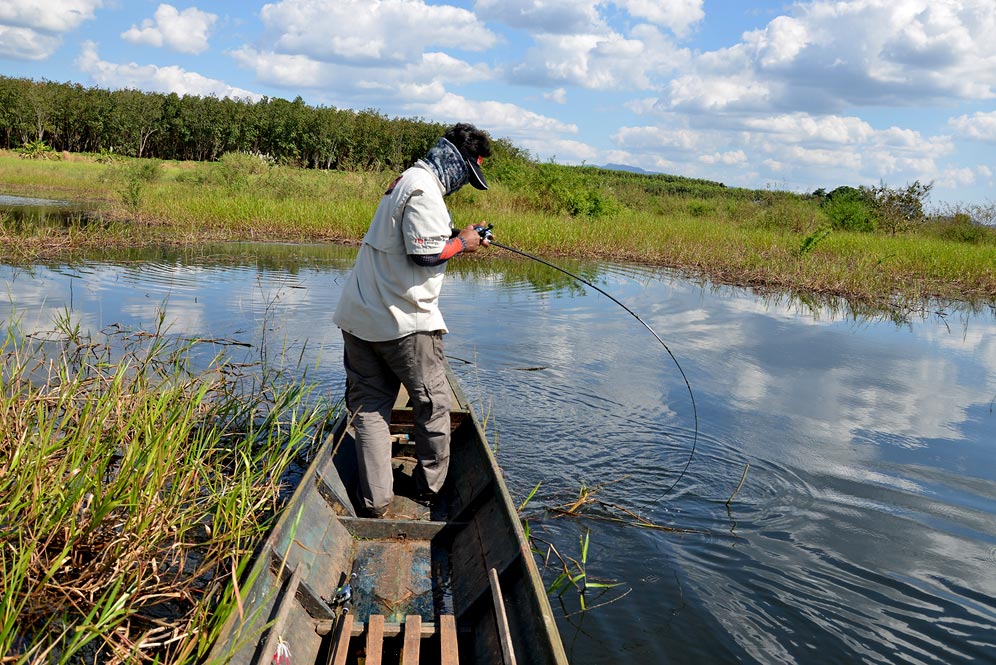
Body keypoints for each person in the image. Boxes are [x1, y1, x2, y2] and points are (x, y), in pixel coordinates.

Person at [333, 123, 493, 518]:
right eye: (467, 176)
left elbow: (412, 240)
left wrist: (459, 236)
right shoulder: (425, 191)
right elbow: (424, 256)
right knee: (434, 405)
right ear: (457, 164)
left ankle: (374, 501)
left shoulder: (406, 181)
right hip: (403, 323)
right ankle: (429, 492)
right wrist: (463, 244)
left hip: (360, 318)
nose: (462, 185)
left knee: (369, 408)